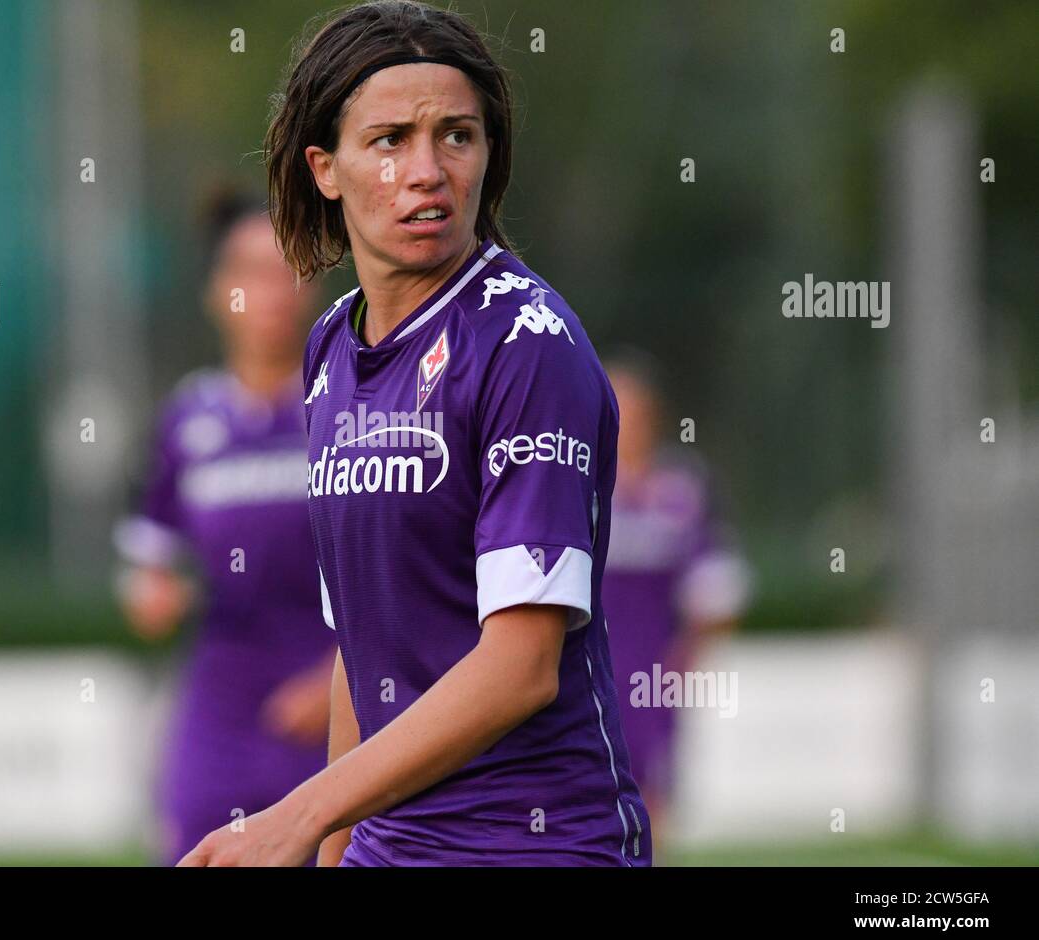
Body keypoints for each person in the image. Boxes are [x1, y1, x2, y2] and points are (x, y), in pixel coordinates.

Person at [178, 0, 649, 866]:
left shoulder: (526, 345)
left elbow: (521, 667)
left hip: (534, 845)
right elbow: (361, 654)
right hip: (390, 848)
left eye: (457, 136)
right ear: (326, 168)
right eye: (390, 139)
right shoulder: (330, 349)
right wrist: (331, 846)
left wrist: (297, 814)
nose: (427, 168)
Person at [114, 187, 335, 866]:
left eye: (287, 271)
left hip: (340, 703)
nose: (271, 291)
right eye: (250, 271)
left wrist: (341, 678)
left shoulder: (351, 408)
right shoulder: (188, 420)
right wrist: (153, 594)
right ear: (218, 291)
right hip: (221, 704)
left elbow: (410, 570)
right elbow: (147, 564)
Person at [599, 350, 752, 849]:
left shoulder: (683, 487)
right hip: (582, 673)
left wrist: (690, 655)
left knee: (652, 799)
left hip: (652, 676)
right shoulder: (577, 481)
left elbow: (716, 585)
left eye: (637, 412)